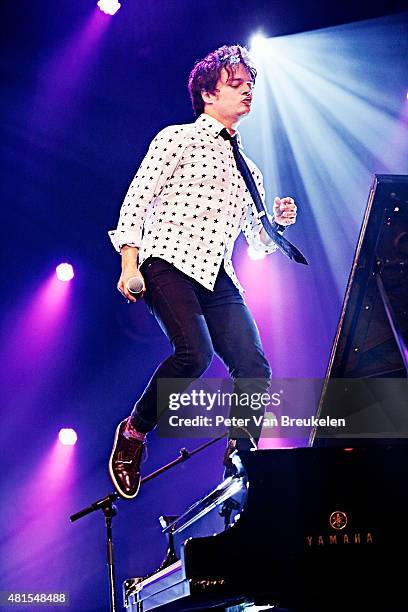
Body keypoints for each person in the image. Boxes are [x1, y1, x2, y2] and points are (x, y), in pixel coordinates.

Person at [108, 44, 297, 499]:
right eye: (236, 85)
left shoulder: (248, 168)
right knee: (195, 354)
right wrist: (129, 264)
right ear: (209, 94)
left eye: (250, 86)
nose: (247, 93)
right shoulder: (177, 138)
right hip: (167, 260)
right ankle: (133, 433)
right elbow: (138, 199)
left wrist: (280, 222)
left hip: (217, 273)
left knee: (254, 366)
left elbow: (256, 242)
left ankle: (241, 458)